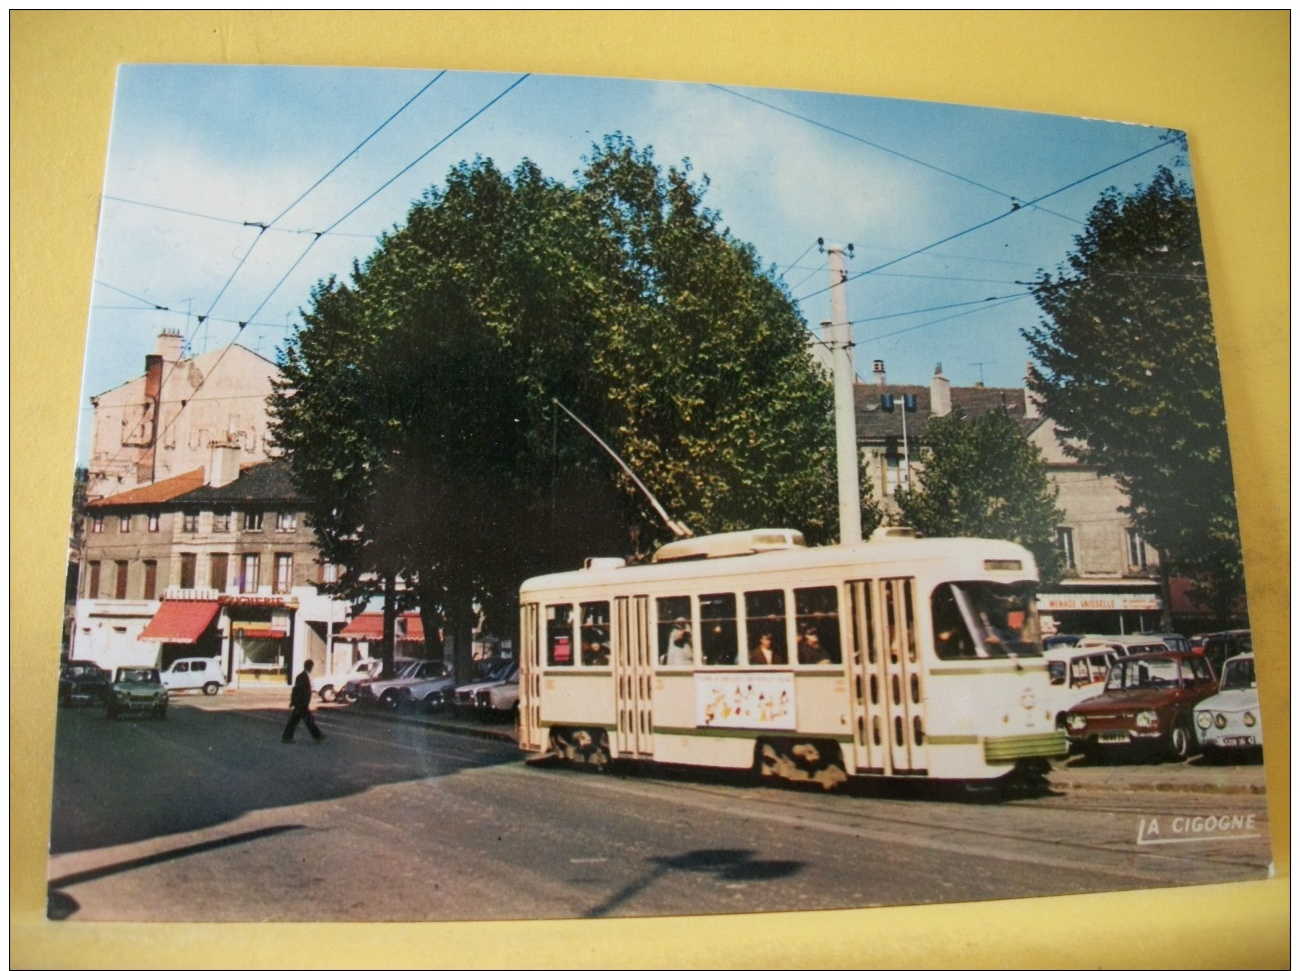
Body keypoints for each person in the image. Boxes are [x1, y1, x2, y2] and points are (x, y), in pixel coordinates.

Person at [282, 659, 325, 743]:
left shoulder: (304, 676)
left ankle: (318, 736)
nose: (312, 668)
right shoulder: (301, 677)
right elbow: (296, 690)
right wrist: (294, 701)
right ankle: (318, 736)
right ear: (308, 666)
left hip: (303, 703)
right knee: (297, 721)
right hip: (301, 703)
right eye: (311, 666)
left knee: (304, 720)